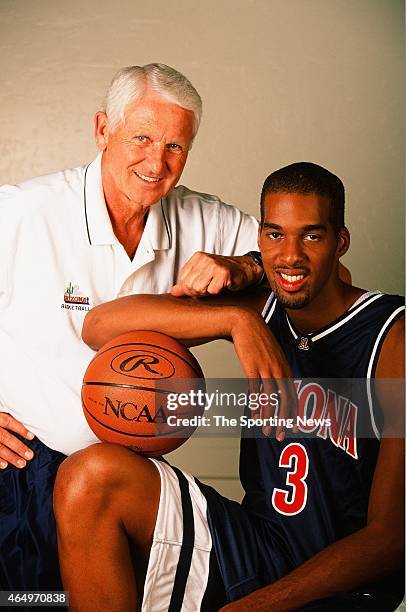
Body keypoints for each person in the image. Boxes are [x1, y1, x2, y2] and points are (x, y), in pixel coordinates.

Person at [55, 162, 404, 611]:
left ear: (341, 242)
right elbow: (100, 324)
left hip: (343, 583)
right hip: (257, 546)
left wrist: (258, 606)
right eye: (275, 235)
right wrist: (234, 320)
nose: (291, 255)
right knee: (90, 476)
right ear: (258, 240)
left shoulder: (392, 333)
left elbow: (392, 539)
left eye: (312, 236)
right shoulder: (262, 308)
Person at [0, 63, 272, 591]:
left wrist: (247, 267)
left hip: (131, 487)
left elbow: (312, 267)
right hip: (24, 470)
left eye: (175, 146)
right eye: (141, 138)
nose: (156, 162)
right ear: (103, 129)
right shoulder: (22, 212)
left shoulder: (203, 219)